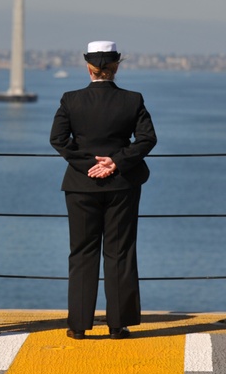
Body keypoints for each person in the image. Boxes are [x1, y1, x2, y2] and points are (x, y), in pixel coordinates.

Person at [49, 40, 157, 340]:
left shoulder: (70, 99)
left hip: (81, 186)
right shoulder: (133, 100)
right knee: (120, 252)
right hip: (122, 184)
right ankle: (117, 325)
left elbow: (58, 140)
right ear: (116, 66)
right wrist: (115, 163)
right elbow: (147, 139)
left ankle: (79, 325)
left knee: (82, 252)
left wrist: (88, 164)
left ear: (89, 67)